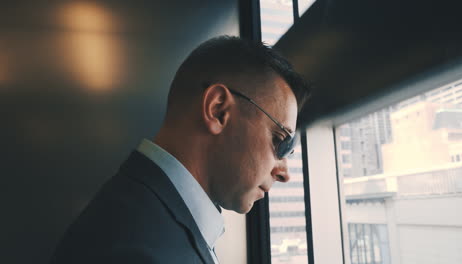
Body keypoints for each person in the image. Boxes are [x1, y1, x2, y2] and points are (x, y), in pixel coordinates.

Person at [50, 35, 310, 264]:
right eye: (281, 140)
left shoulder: (142, 213)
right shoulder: (139, 247)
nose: (284, 173)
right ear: (219, 110)